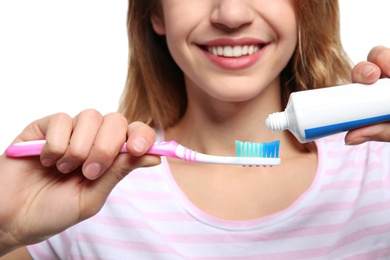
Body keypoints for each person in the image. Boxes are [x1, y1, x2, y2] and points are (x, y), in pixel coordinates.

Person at [1, 0, 390, 258]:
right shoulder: (83, 186)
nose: (232, 13)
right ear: (156, 13)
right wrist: (5, 225)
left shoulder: (380, 169)